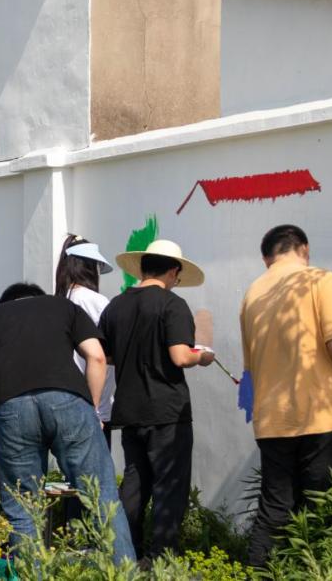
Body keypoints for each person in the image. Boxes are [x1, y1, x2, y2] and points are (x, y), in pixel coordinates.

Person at [0, 283, 135, 564]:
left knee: (24, 507)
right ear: (38, 298)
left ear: (6, 303)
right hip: (69, 401)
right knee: (102, 497)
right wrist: (91, 409)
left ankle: (31, 572)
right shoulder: (64, 307)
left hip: (12, 409)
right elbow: (97, 356)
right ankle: (123, 572)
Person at [241, 225, 332, 567]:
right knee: (326, 507)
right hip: (323, 413)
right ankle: (318, 572)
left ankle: (259, 572)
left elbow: (250, 368)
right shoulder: (320, 279)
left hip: (272, 418)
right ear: (304, 249)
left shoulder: (253, 294)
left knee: (275, 508)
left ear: (267, 258)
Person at [99, 239, 214, 563]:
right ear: (174, 271)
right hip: (167, 411)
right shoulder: (172, 304)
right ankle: (161, 559)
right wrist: (203, 356)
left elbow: (105, 355)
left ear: (142, 267)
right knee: (169, 487)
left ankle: (124, 553)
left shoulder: (116, 306)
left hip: (129, 410)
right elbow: (181, 356)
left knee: (135, 484)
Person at [55, 234, 116, 447]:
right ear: (89, 267)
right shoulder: (96, 301)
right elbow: (105, 354)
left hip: (63, 401)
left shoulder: (60, 301)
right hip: (94, 407)